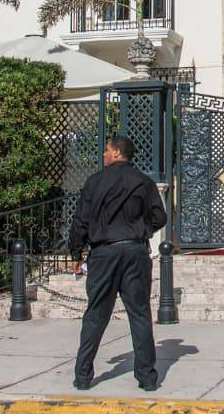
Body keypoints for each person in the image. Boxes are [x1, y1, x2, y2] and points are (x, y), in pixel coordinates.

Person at [68, 135, 167, 392]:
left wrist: (76, 252)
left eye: (106, 150)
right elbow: (160, 216)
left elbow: (81, 220)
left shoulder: (95, 181)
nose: (103, 155)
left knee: (96, 315)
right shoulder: (144, 182)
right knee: (139, 314)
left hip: (104, 253)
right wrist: (142, 229)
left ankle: (83, 376)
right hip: (135, 251)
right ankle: (147, 378)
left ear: (115, 153)